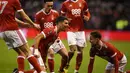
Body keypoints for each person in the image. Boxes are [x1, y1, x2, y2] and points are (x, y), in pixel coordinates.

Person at [0, 0, 45, 73]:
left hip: (3, 32)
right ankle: (41, 72)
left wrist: (23, 24)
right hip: (13, 30)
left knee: (21, 53)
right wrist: (33, 25)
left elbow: (12, 17)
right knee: (28, 52)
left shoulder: (1, 2)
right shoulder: (14, 1)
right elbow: (24, 16)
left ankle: (20, 72)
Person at [34, 0, 69, 73]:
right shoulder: (38, 15)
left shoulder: (55, 13)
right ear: (44, 5)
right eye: (48, 6)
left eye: (51, 6)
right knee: (51, 53)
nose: (50, 7)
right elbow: (37, 29)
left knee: (66, 56)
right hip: (46, 38)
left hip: (54, 38)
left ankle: (61, 70)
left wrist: (56, 37)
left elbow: (58, 26)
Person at [60, 0, 91, 73]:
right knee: (73, 49)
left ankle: (76, 70)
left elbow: (87, 13)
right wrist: (66, 19)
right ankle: (67, 63)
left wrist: (87, 17)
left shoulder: (83, 2)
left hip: (80, 30)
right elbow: (61, 16)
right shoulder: (66, 3)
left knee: (80, 51)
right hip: (70, 29)